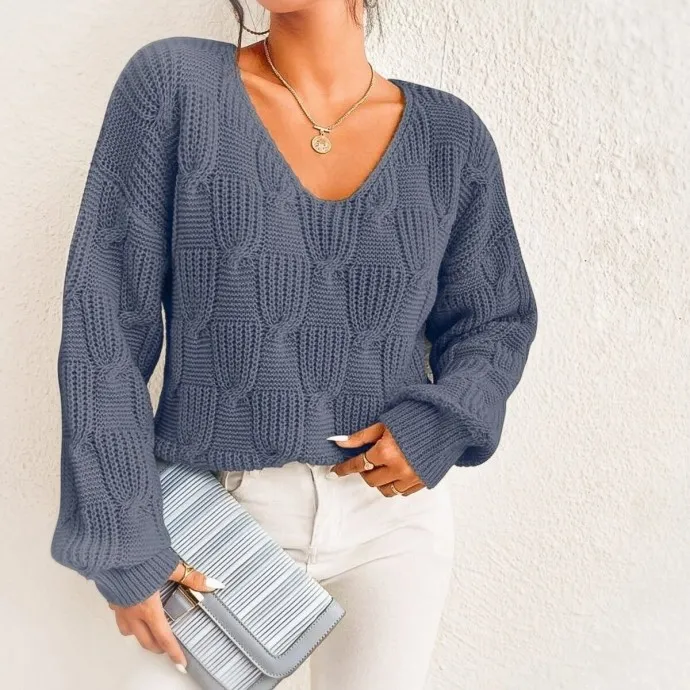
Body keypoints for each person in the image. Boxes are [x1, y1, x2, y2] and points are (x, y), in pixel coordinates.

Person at [50, 1, 538, 688]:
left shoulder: (450, 139)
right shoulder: (174, 86)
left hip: (392, 526)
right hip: (213, 517)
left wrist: (441, 423)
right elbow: (103, 323)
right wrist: (122, 538)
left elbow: (496, 318)